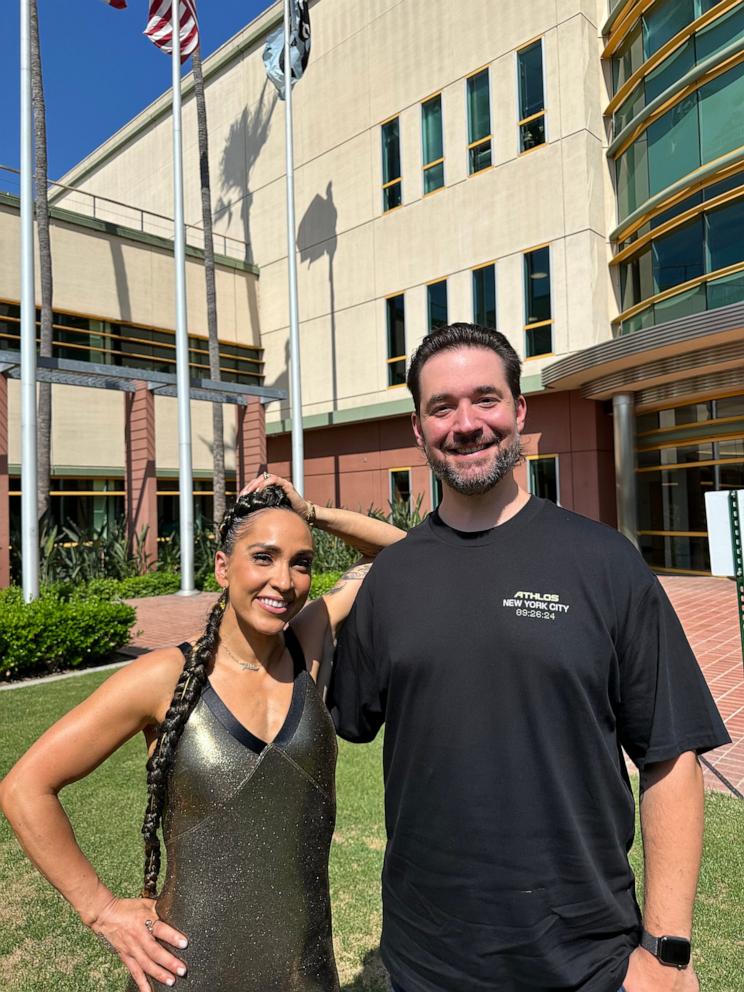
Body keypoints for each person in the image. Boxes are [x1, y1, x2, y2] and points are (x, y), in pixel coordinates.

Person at [329, 323, 730, 992]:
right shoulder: (391, 581)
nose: (465, 424)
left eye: (485, 399)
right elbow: (327, 720)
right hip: (427, 960)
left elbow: (671, 753)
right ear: (418, 428)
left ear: (519, 411)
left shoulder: (605, 563)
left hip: (585, 959)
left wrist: (665, 952)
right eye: (441, 407)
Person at [0, 475, 405, 992]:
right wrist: (101, 910)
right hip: (190, 972)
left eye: (300, 562)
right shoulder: (164, 677)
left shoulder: (310, 646)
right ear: (222, 566)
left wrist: (312, 513)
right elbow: (24, 788)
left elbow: (400, 552)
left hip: (305, 973)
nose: (283, 580)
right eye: (263, 557)